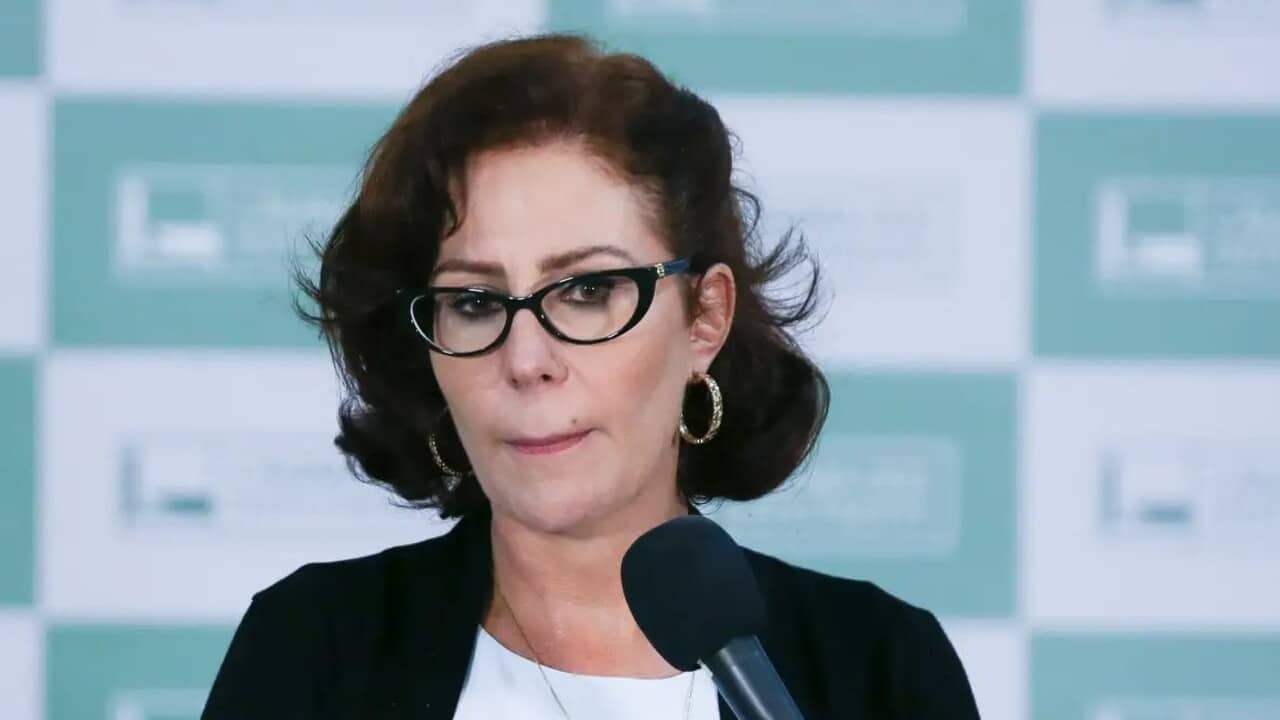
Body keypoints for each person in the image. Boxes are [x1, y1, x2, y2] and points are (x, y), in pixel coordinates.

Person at [200, 32, 981, 720]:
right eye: (474, 302)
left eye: (587, 291)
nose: (526, 361)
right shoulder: (312, 649)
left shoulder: (880, 667)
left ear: (704, 319)